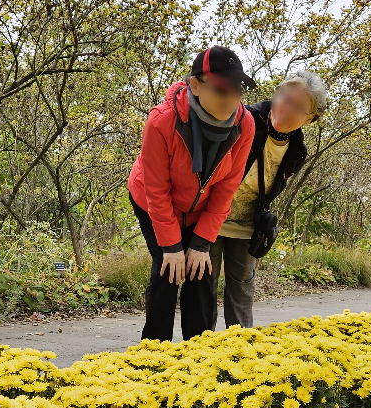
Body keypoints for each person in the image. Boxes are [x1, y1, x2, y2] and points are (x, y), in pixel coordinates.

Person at [127, 46, 255, 341]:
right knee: (168, 271)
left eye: (237, 90)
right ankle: (153, 355)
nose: (231, 99)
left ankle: (198, 353)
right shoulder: (162, 120)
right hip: (152, 201)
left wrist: (201, 243)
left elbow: (227, 188)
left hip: (202, 207)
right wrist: (172, 247)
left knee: (200, 271)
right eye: (222, 90)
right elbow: (156, 191)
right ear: (197, 85)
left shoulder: (244, 124)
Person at [210, 70, 327, 330]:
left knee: (242, 293)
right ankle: (199, 353)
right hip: (210, 219)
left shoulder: (297, 151)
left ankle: (241, 353)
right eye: (285, 96)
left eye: (298, 106)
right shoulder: (244, 119)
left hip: (246, 227)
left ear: (309, 119)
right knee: (204, 289)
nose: (286, 107)